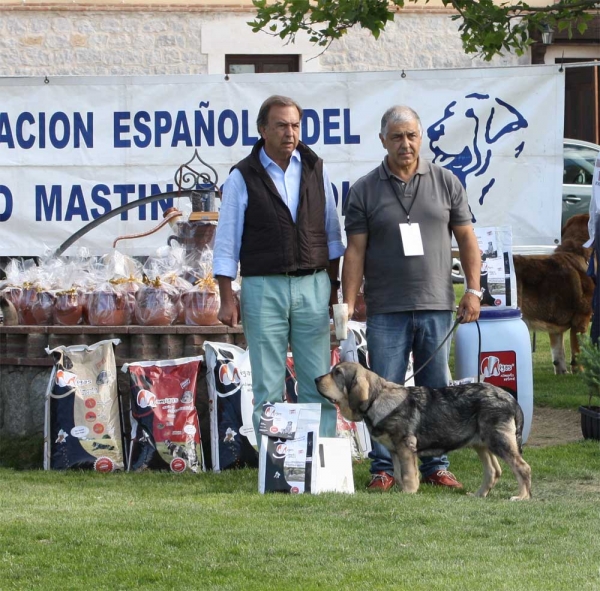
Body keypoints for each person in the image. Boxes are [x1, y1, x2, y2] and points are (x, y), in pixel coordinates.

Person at [342, 105, 482, 491]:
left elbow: (467, 239)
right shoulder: (364, 190)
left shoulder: (447, 182)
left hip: (437, 304)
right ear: (383, 140)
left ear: (421, 138)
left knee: (437, 393)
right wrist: (348, 302)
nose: (405, 143)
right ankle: (383, 469)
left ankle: (436, 464)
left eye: (411, 135)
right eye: (397, 136)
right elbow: (354, 251)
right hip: (386, 308)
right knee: (381, 394)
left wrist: (472, 290)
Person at [213, 94, 346, 444]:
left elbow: (333, 233)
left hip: (313, 285)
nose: (290, 133)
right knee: (268, 382)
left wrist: (334, 291)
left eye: (295, 126)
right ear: (263, 130)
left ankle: (321, 457)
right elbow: (226, 241)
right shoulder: (242, 176)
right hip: (262, 287)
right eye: (282, 125)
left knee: (319, 379)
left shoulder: (317, 168)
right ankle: (275, 461)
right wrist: (227, 298)